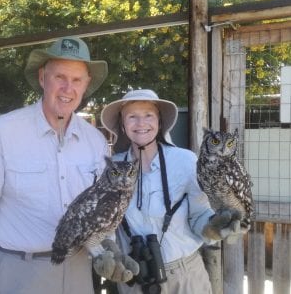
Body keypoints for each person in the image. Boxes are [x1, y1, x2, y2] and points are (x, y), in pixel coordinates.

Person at [0, 37, 138, 294]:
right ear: (42, 78)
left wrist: (108, 251)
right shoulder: (4, 132)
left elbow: (99, 214)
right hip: (17, 273)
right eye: (59, 77)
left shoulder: (94, 141)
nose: (67, 88)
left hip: (77, 272)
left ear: (86, 85)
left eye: (76, 80)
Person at [100, 89, 242, 294]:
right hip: (134, 280)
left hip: (185, 278)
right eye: (132, 116)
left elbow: (200, 215)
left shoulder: (185, 161)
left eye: (148, 115)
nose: (141, 123)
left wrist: (214, 227)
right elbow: (107, 225)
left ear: (159, 121)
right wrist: (108, 254)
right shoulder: (111, 168)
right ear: (122, 124)